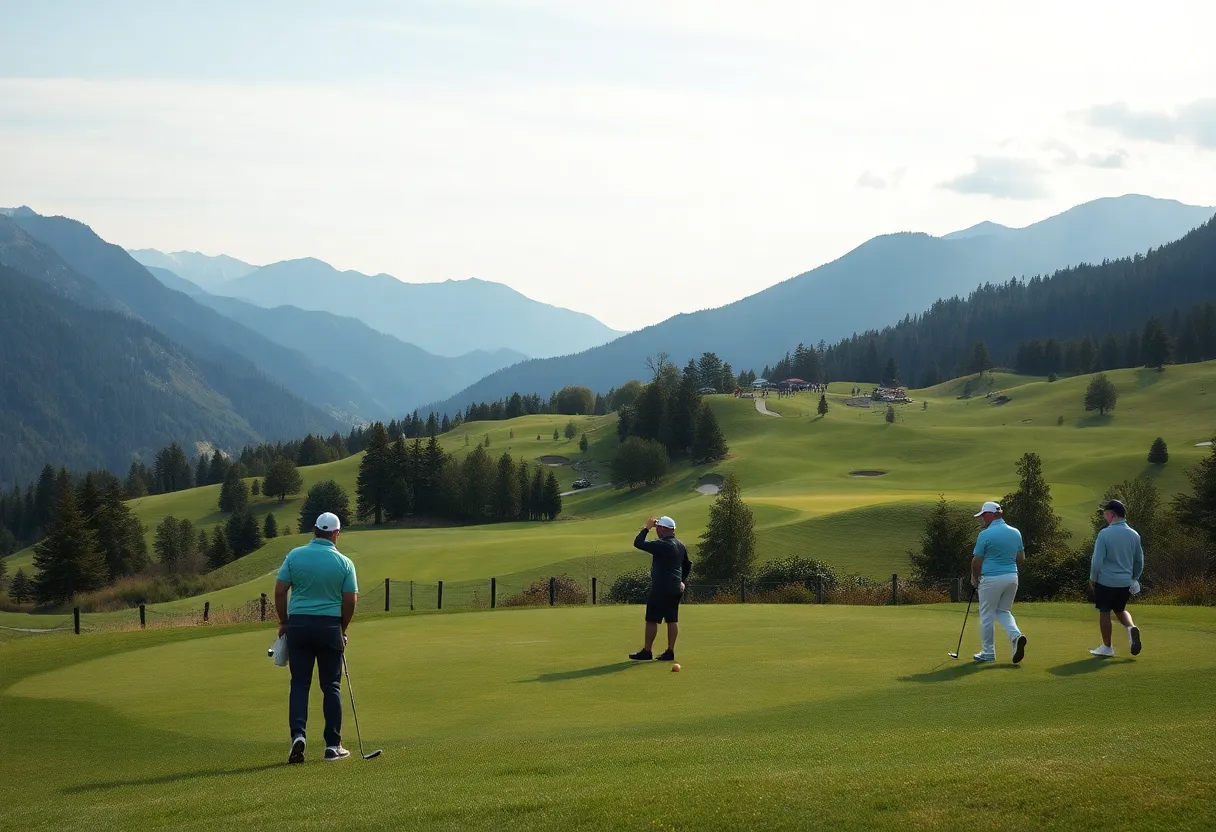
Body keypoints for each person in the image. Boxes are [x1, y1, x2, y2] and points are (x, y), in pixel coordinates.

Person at [275, 512, 359, 764]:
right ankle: (333, 746)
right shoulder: (344, 563)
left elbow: (280, 591)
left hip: (299, 625)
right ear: (335, 533)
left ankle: (298, 735)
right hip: (329, 627)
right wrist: (342, 628)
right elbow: (350, 600)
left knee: (300, 684)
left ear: (314, 530)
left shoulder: (294, 555)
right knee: (331, 686)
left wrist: (284, 621)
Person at [970, 500, 1027, 664]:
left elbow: (976, 560)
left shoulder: (985, 534)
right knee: (1003, 611)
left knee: (987, 615)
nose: (982, 519)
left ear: (990, 515)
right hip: (1012, 577)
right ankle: (1016, 636)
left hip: (991, 579)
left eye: (983, 516)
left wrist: (974, 577)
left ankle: (988, 652)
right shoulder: (1015, 532)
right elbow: (1021, 558)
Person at [628, 515, 692, 662]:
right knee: (672, 619)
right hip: (675, 587)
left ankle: (647, 651)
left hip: (661, 587)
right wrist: (681, 581)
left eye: (658, 528)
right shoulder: (680, 545)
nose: (657, 531)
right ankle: (670, 651)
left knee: (651, 619)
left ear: (664, 529)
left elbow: (638, 543)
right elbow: (687, 565)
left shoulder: (662, 544)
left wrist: (646, 528)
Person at [1089, 499, 1144, 657]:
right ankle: (1131, 628)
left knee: (1104, 611)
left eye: (1106, 514)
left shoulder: (1105, 533)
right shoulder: (1134, 534)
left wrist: (1092, 579)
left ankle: (1107, 647)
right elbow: (1139, 561)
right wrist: (1134, 578)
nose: (1105, 517)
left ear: (1112, 515)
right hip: (1125, 583)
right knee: (1120, 610)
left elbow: (1097, 560)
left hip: (1106, 581)